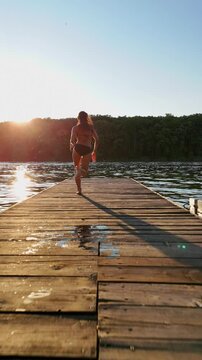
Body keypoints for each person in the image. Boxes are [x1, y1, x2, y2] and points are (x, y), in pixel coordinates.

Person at [70, 111, 99, 195]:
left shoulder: (75, 128)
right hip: (87, 148)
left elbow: (72, 140)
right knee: (85, 171)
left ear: (78, 118)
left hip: (78, 147)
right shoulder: (91, 128)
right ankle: (80, 170)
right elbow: (97, 139)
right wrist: (94, 151)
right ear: (87, 118)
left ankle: (79, 190)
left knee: (77, 170)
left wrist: (72, 146)